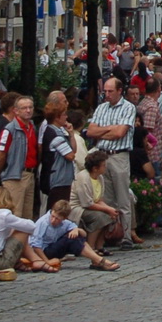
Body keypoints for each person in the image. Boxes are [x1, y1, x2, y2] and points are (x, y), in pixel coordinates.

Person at [86, 78, 138, 241]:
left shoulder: (128, 108)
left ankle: (127, 236)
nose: (106, 94)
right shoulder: (101, 108)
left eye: (110, 91)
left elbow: (120, 133)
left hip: (119, 155)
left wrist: (103, 131)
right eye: (105, 91)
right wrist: (111, 128)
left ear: (119, 91)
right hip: (103, 155)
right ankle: (107, 235)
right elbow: (90, 132)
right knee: (105, 198)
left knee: (123, 198)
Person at [27, 199, 117, 270]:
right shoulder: (43, 222)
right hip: (42, 252)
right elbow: (36, 246)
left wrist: (76, 229)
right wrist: (47, 261)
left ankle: (96, 260)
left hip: (52, 248)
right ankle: (99, 261)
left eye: (57, 219)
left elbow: (84, 235)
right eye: (53, 216)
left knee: (76, 236)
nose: (53, 220)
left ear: (64, 218)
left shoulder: (65, 223)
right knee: (71, 240)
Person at [0, 94, 38, 220]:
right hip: (15, 175)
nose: (28, 110)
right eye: (24, 108)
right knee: (15, 214)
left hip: (30, 174)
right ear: (16, 111)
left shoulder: (32, 127)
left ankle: (23, 240)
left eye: (30, 107)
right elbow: (0, 154)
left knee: (27, 215)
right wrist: (4, 171)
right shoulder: (9, 129)